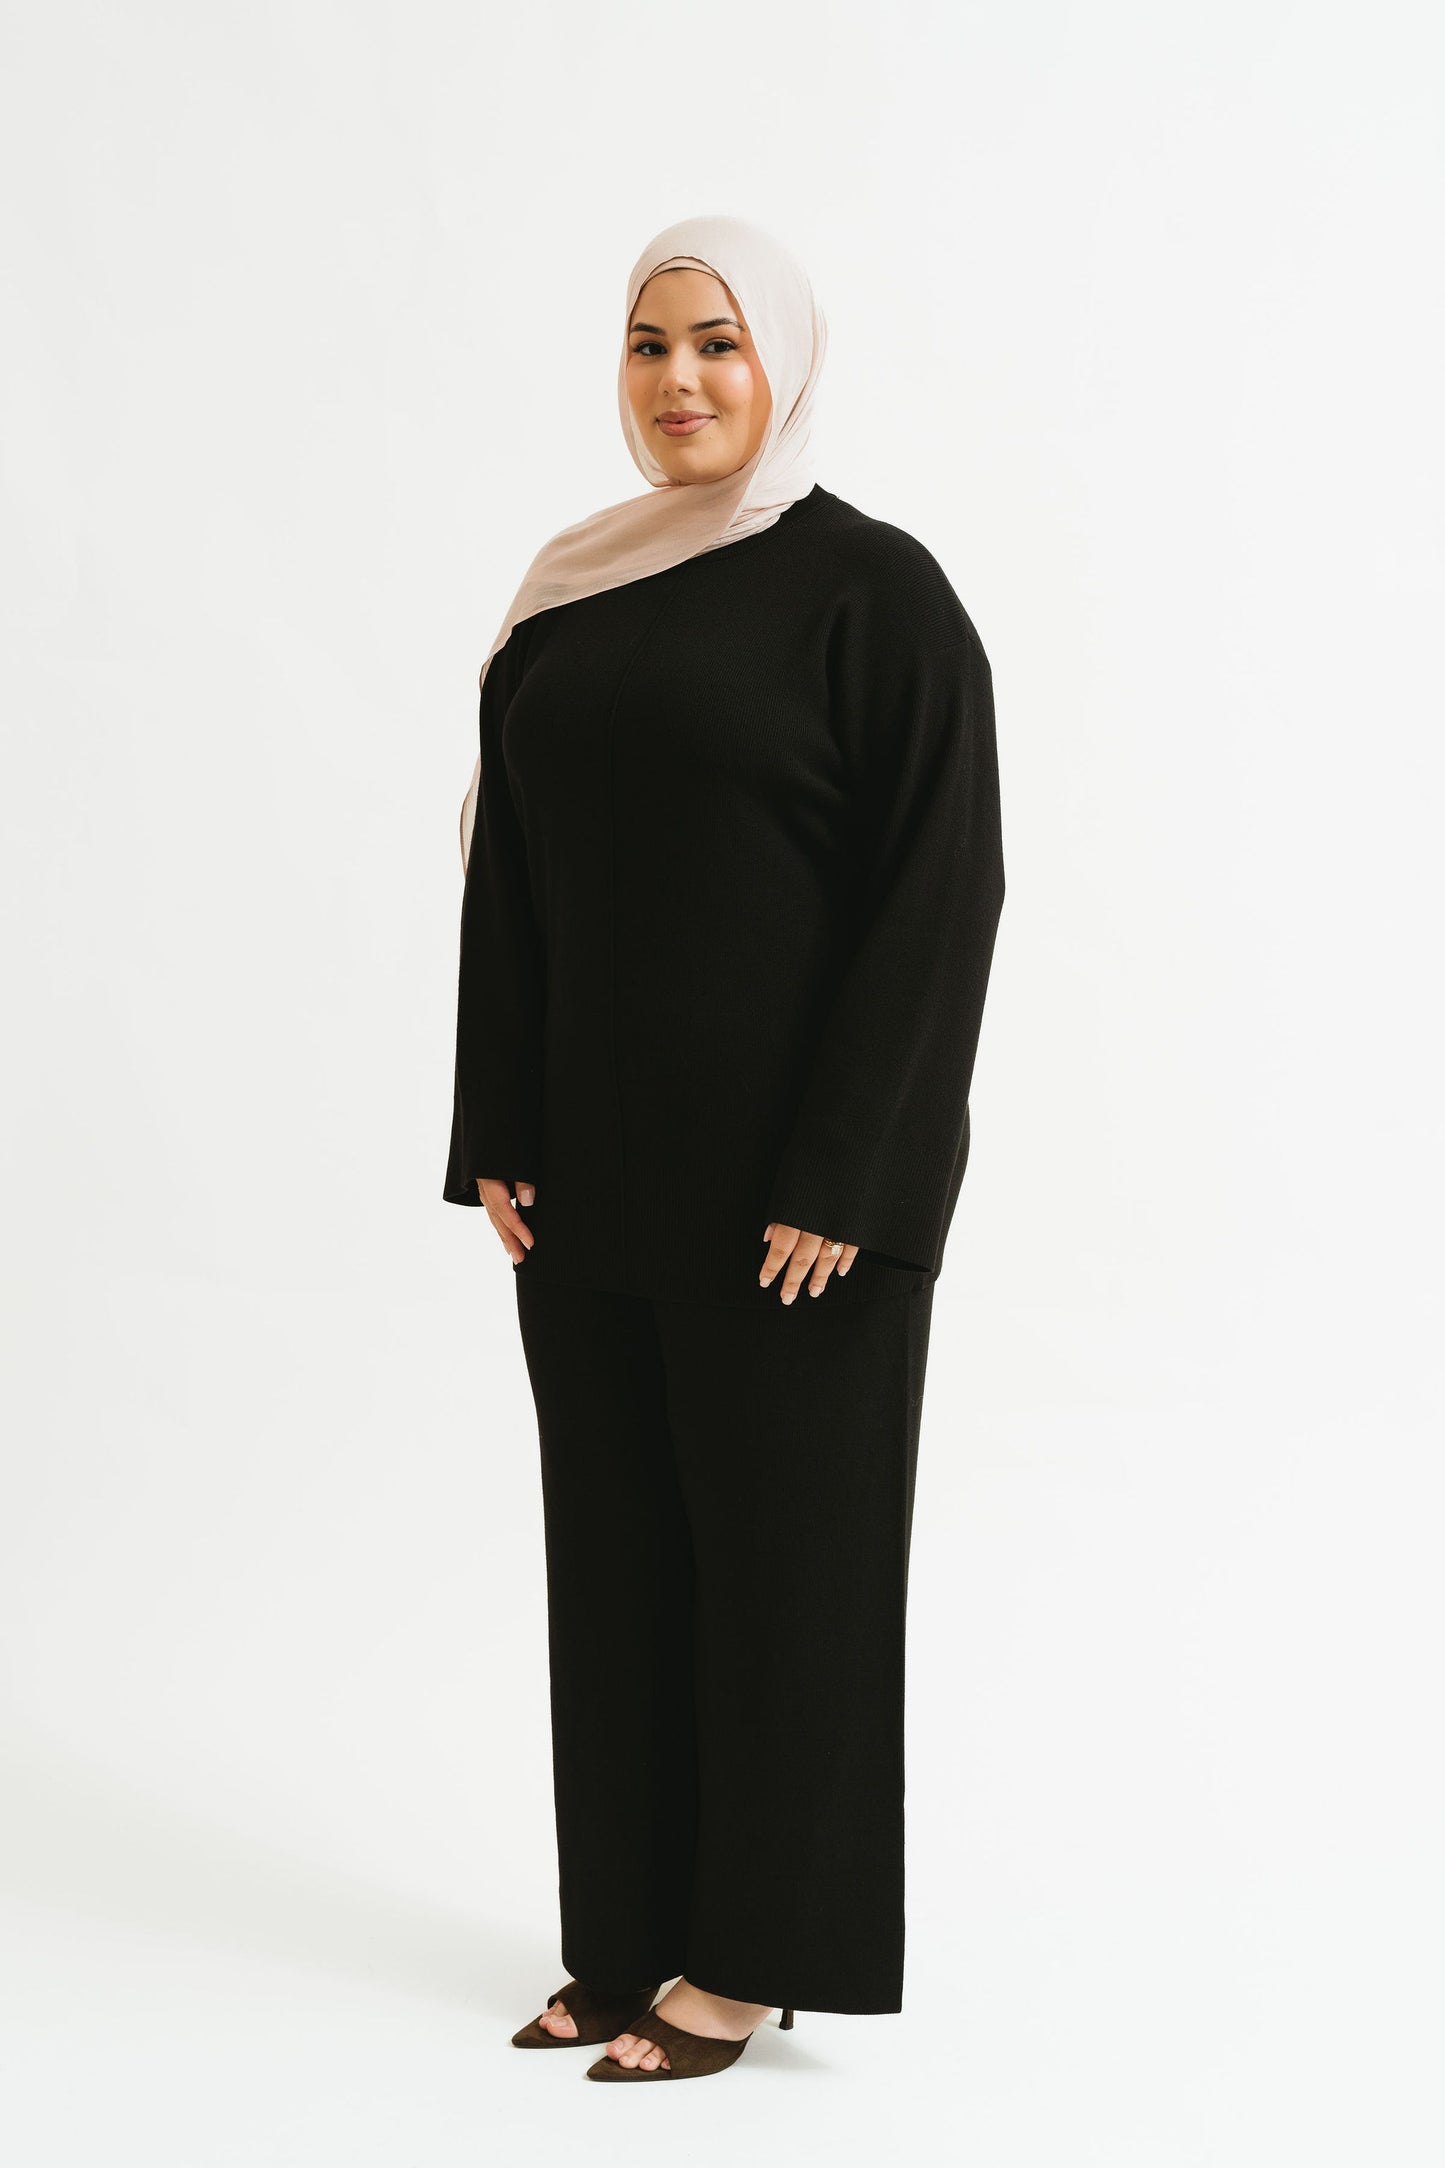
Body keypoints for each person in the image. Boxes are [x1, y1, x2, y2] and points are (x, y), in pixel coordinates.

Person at [442, 213, 1005, 2083]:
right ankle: (624, 1943)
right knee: (616, 1573)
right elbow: (510, 877)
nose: (679, 380)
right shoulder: (568, 594)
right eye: (648, 344)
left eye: (717, 342)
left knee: (787, 1579)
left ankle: (753, 1957)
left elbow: (939, 892)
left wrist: (852, 1178)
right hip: (592, 1185)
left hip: (793, 1207)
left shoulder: (873, 595)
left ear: (784, 362)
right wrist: (497, 1127)